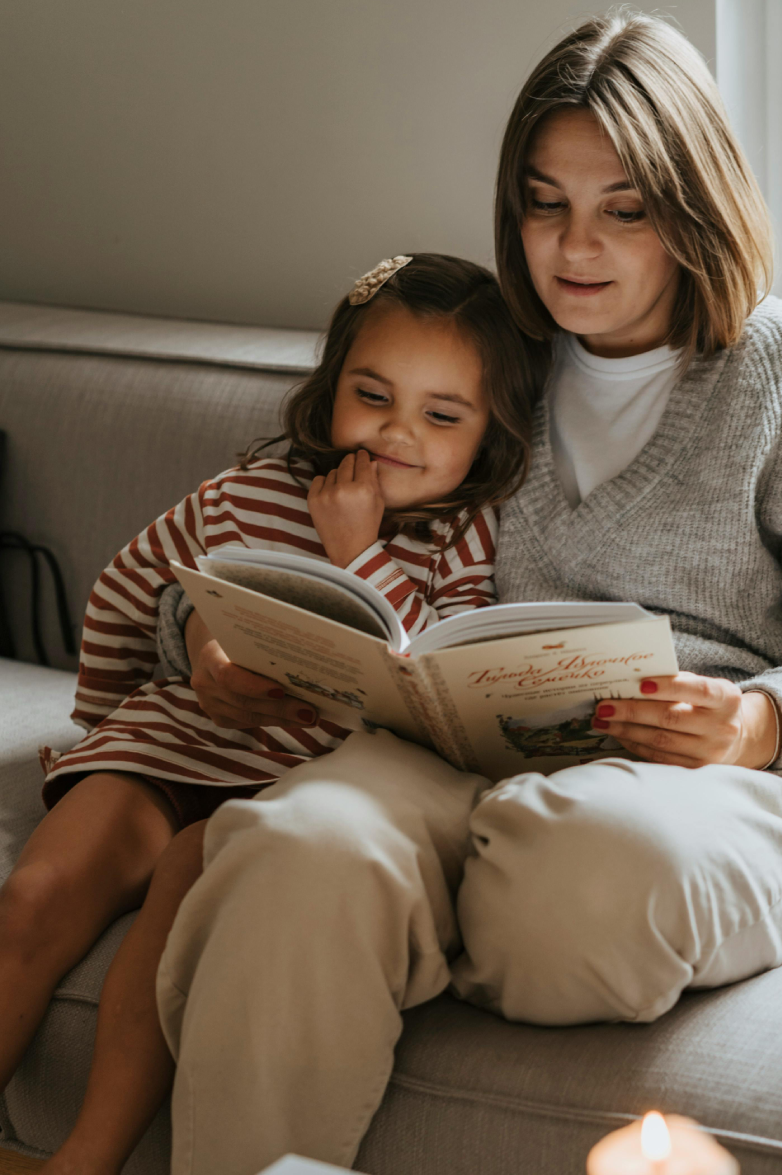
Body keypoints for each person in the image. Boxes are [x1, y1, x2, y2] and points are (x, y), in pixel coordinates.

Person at [44, 10, 782, 1175]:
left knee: (585, 861)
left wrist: (764, 717)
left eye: (623, 207)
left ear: (693, 204)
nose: (575, 246)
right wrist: (209, 637)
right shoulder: (487, 355)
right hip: (450, 759)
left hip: (707, 783)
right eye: (543, 201)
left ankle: (435, 917)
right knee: (290, 848)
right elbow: (274, 506)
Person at [0, 253, 547, 1175]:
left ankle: (81, 1162)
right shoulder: (247, 489)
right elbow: (130, 588)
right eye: (372, 394)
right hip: (172, 744)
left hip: (291, 789)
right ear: (333, 385)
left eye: (441, 415)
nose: (395, 433)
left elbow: (440, 686)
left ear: (489, 430)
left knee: (181, 922)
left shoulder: (468, 534)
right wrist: (107, 723)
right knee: (36, 895)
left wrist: (358, 551)